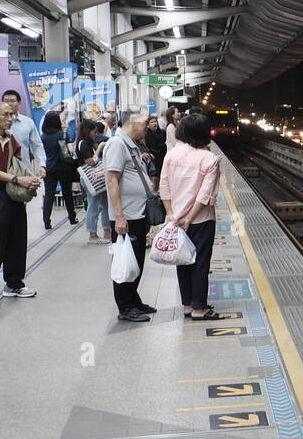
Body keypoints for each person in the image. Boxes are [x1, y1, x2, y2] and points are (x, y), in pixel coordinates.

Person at [160, 113, 227, 320]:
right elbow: (205, 195)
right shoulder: (210, 159)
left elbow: (164, 187)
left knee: (183, 260)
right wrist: (189, 218)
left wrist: (172, 214)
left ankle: (188, 305)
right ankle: (199, 307)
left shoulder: (171, 155)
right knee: (200, 262)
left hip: (176, 219)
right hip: (201, 220)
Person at [0, 101, 40, 304]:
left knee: (18, 237)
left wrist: (30, 177)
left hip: (13, 192)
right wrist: (16, 179)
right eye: (5, 115)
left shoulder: (10, 138)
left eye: (11, 115)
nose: (10, 119)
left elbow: (17, 163)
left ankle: (14, 283)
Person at [103, 119, 156, 322]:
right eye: (143, 123)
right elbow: (112, 180)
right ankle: (125, 307)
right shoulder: (117, 144)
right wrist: (119, 216)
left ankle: (134, 300)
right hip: (126, 216)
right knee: (126, 260)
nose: (146, 127)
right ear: (132, 122)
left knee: (137, 260)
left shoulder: (130, 145)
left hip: (137, 214)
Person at [39, 112, 78, 230]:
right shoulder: (63, 135)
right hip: (64, 168)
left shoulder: (43, 137)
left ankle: (47, 222)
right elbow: (70, 150)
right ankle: (72, 217)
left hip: (49, 169)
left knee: (49, 195)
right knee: (67, 193)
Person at [76, 122, 111, 244]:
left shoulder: (90, 143)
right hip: (90, 179)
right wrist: (100, 148)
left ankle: (107, 232)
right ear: (87, 131)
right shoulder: (83, 144)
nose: (96, 134)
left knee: (106, 204)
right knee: (94, 205)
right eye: (94, 132)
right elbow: (91, 162)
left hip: (97, 178)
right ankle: (93, 234)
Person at [1, 90, 46, 183]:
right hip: (2, 171)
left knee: (23, 196)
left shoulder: (28, 122)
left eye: (12, 101)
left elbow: (37, 145)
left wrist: (41, 165)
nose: (9, 104)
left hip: (24, 170)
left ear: (19, 103)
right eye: (6, 101)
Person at [144, 115, 166, 187]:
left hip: (163, 157)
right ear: (148, 125)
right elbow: (153, 145)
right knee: (155, 178)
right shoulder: (147, 134)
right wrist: (164, 145)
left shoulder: (162, 132)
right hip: (154, 158)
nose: (154, 123)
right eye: (152, 122)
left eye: (155, 121)